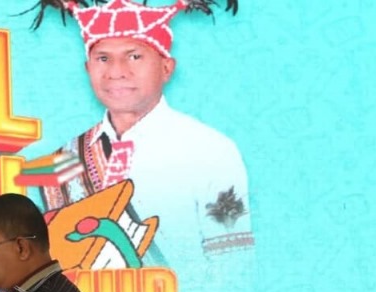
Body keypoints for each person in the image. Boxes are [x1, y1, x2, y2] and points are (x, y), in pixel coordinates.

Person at [32, 0, 252, 265]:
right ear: (88, 68)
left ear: (166, 68)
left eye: (134, 56)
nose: (116, 72)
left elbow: (234, 266)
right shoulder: (64, 160)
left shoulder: (209, 152)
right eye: (103, 58)